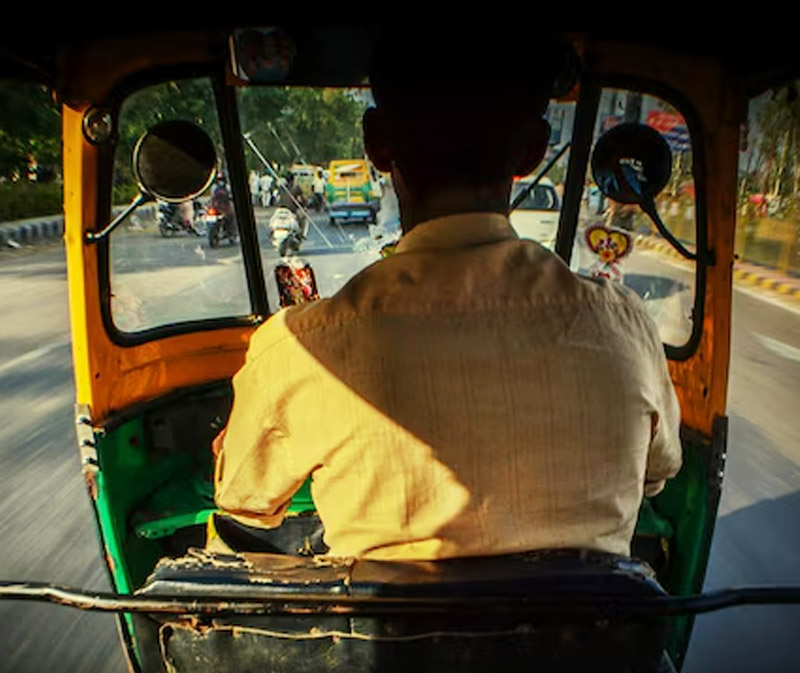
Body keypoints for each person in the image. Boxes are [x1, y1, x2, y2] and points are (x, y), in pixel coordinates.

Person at [211, 28, 682, 561]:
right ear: (531, 149)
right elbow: (657, 473)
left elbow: (242, 498)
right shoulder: (626, 327)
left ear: (377, 143)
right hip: (596, 644)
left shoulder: (300, 347)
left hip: (384, 645)